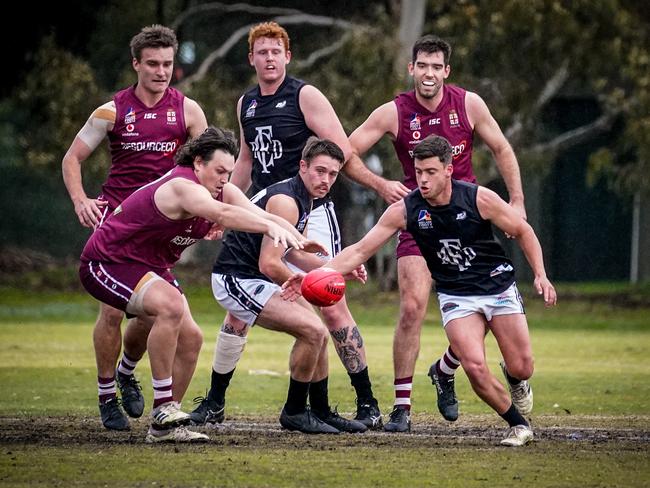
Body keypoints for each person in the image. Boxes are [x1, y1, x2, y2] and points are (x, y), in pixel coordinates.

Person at [283, 135, 556, 446]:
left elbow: (523, 230)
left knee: (523, 366)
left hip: (497, 287)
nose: (422, 180)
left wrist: (541, 275)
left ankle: (458, 371)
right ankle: (519, 426)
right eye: (418, 172)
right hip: (457, 295)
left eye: (430, 172)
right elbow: (359, 251)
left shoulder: (479, 199)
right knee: (475, 366)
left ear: (449, 170)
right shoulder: (406, 210)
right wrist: (316, 275)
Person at [190, 21, 381, 429]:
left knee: (329, 301)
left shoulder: (304, 94)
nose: (270, 58)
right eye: (262, 51)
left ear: (287, 56)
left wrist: (377, 184)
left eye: (276, 51)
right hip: (266, 209)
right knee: (241, 312)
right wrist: (219, 207)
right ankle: (217, 402)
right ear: (252, 59)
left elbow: (340, 152)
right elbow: (244, 161)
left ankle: (365, 402)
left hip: (307, 211)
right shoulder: (247, 104)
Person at [79, 126, 314, 442]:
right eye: (219, 171)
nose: (224, 179)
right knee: (170, 306)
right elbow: (223, 214)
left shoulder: (221, 189)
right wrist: (271, 231)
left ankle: (163, 427)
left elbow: (262, 215)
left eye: (229, 172)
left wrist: (298, 239)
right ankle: (160, 407)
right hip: (107, 262)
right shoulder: (182, 186)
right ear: (198, 163)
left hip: (148, 266)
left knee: (191, 338)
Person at [344, 34, 527, 431]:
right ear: (411, 68)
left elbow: (502, 148)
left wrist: (517, 202)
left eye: (436, 67)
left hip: (469, 224)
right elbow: (344, 151)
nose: (428, 74)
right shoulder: (394, 112)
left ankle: (445, 369)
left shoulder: (468, 103)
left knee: (484, 307)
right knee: (412, 307)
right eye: (421, 66)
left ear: (447, 71)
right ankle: (402, 408)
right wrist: (379, 184)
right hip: (419, 220)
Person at [62, 24, 208, 431]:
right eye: (153, 64)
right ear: (136, 64)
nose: (161, 72)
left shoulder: (188, 111)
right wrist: (80, 200)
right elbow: (71, 158)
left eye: (167, 64)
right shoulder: (112, 111)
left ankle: (128, 372)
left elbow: (211, 167)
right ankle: (108, 394)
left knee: (151, 314)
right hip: (119, 220)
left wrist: (210, 213)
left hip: (161, 225)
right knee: (113, 311)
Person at [209, 137, 367, 434]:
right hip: (236, 278)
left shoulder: (305, 197)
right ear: (303, 166)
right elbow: (269, 263)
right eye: (320, 171)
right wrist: (298, 279)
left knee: (317, 331)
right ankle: (294, 411)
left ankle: (320, 411)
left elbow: (293, 252)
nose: (326, 180)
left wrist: (337, 269)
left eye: (333, 175)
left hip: (257, 278)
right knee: (313, 331)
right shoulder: (287, 201)